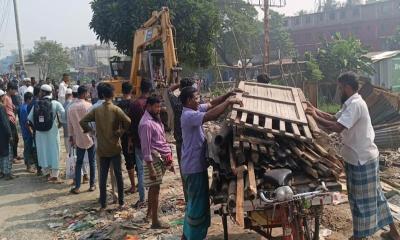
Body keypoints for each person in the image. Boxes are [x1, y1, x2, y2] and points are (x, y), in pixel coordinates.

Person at [306, 72, 400, 240]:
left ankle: (359, 236)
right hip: (357, 158)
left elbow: (337, 127)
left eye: (340, 87)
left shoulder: (356, 104)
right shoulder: (350, 103)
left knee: (360, 202)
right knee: (376, 196)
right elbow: (334, 117)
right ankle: (393, 233)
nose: (338, 91)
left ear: (347, 88)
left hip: (362, 160)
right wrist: (315, 111)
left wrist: (314, 116)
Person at [179, 86, 243, 240]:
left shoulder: (193, 108)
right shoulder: (188, 115)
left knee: (195, 203)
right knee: (197, 205)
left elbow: (211, 104)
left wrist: (226, 94)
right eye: (196, 98)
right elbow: (209, 115)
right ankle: (193, 237)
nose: (199, 100)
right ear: (188, 100)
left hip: (194, 165)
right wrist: (228, 102)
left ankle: (187, 235)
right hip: (193, 167)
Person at [80, 83, 131, 210]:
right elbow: (128, 121)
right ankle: (121, 202)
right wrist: (121, 132)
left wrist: (91, 132)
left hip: (102, 148)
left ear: (102, 95)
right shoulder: (116, 109)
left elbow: (82, 121)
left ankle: (103, 204)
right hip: (114, 147)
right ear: (112, 94)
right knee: (118, 175)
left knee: (102, 177)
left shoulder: (96, 110)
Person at [139, 96, 174, 229]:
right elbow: (145, 148)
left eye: (159, 106)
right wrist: (151, 168)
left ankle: (149, 214)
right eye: (156, 106)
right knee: (155, 190)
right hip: (153, 160)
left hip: (160, 158)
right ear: (148, 106)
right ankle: (155, 221)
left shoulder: (155, 119)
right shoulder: (146, 124)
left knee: (154, 189)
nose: (158, 109)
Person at [28, 84, 65, 182]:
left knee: (43, 150)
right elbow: (64, 115)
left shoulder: (36, 104)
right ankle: (54, 175)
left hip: (40, 133)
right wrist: (60, 123)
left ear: (43, 92)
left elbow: (30, 119)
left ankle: (46, 172)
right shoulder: (55, 103)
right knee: (54, 150)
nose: (39, 93)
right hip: (52, 131)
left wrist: (36, 127)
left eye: (40, 91)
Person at [167, 78, 196, 202]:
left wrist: (178, 84)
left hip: (181, 143)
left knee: (185, 172)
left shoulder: (177, 102)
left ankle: (188, 199)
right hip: (193, 142)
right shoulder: (194, 102)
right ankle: (196, 198)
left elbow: (168, 90)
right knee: (196, 171)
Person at [128, 80, 153, 208]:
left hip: (139, 142)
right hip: (152, 143)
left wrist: (131, 140)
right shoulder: (153, 104)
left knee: (141, 171)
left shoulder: (134, 105)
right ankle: (152, 198)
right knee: (153, 170)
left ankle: (143, 198)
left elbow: (131, 125)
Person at [69, 86, 96, 194]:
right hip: (90, 137)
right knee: (92, 161)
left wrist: (71, 137)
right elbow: (94, 122)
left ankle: (77, 186)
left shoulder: (71, 108)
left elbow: (70, 126)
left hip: (78, 138)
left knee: (79, 163)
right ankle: (92, 185)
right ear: (84, 94)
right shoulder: (89, 106)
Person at [116, 82, 136, 194]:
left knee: (128, 160)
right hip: (136, 135)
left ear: (122, 90)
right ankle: (141, 183)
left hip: (125, 136)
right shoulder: (135, 103)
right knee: (138, 159)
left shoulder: (118, 106)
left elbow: (117, 123)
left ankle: (133, 185)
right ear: (132, 90)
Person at [19, 91, 36, 173]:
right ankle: (28, 166)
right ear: (29, 99)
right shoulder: (26, 108)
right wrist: (31, 132)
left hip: (24, 132)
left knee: (28, 148)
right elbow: (27, 123)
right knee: (28, 149)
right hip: (27, 132)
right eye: (31, 99)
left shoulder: (22, 107)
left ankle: (29, 165)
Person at [4, 82, 20, 163]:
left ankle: (15, 155)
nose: (15, 92)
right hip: (9, 120)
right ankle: (13, 157)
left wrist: (13, 107)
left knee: (16, 138)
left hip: (12, 120)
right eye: (14, 90)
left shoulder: (10, 97)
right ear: (10, 89)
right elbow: (3, 109)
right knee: (12, 139)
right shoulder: (5, 97)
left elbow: (9, 107)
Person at [0, 89, 13, 180]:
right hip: (3, 135)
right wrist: (10, 134)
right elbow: (5, 123)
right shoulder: (1, 107)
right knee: (6, 154)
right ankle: (6, 173)